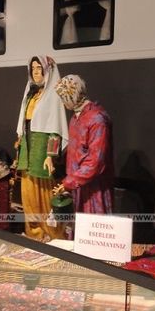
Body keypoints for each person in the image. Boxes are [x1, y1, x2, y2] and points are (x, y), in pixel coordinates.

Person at [15, 56, 68, 241]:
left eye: (40, 68)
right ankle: (34, 236)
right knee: (28, 198)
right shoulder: (30, 94)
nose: (36, 72)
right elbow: (25, 122)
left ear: (47, 71)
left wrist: (51, 155)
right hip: (27, 152)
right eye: (33, 68)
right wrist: (20, 142)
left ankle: (53, 236)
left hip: (42, 154)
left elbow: (55, 128)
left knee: (44, 199)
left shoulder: (52, 96)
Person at [53, 75, 114, 218]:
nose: (62, 102)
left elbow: (96, 162)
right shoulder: (76, 118)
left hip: (94, 189)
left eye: (64, 98)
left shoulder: (97, 119)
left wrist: (68, 182)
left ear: (72, 96)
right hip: (77, 185)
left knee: (93, 225)